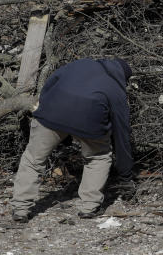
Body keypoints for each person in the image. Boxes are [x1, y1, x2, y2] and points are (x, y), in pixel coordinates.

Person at [11, 58, 133, 222]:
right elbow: (121, 134)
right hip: (89, 119)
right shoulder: (115, 88)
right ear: (123, 76)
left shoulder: (80, 64)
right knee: (97, 157)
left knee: (33, 159)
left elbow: (50, 82)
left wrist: (46, 110)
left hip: (51, 111)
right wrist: (125, 176)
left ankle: (20, 209)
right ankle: (89, 207)